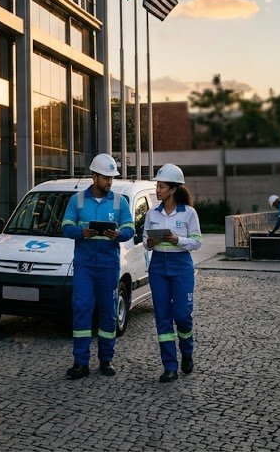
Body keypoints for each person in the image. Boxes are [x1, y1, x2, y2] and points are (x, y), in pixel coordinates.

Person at [60, 153, 135, 379]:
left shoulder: (119, 201)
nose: (109, 182)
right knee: (82, 309)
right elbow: (65, 227)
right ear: (94, 176)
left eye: (111, 178)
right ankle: (80, 362)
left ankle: (106, 360)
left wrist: (119, 234)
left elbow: (130, 228)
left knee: (108, 313)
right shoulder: (77, 200)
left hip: (108, 266)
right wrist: (81, 232)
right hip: (84, 266)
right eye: (105, 177)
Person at [143, 164, 202, 383]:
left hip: (181, 268)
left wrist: (178, 240)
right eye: (157, 186)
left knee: (182, 316)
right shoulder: (151, 213)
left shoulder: (189, 213)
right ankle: (169, 366)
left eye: (161, 186)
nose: (157, 190)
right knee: (163, 317)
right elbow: (144, 242)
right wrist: (149, 242)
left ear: (173, 189)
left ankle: (187, 351)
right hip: (158, 267)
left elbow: (197, 242)